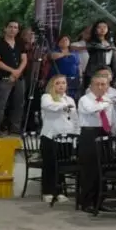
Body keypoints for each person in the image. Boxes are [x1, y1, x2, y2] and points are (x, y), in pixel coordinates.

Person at [77, 74, 116, 213]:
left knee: (103, 168)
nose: (100, 87)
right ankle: (86, 202)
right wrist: (105, 104)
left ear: (108, 86)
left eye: (103, 84)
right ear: (91, 86)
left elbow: (111, 118)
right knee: (90, 169)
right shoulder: (85, 99)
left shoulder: (107, 99)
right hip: (89, 134)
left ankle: (99, 201)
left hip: (104, 132)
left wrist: (112, 132)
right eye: (97, 84)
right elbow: (91, 109)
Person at [39, 75, 79, 204]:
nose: (61, 85)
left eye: (63, 83)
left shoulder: (70, 99)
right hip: (50, 136)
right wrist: (64, 107)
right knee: (49, 165)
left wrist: (76, 133)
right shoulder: (47, 97)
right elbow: (49, 106)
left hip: (66, 138)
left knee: (61, 166)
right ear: (52, 85)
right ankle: (47, 192)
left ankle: (60, 191)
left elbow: (74, 118)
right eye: (58, 83)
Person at [0, 21, 27, 134]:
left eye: (15, 27)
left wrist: (18, 71)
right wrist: (12, 71)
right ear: (5, 28)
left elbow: (24, 59)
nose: (12, 29)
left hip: (19, 77)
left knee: (19, 103)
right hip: (4, 77)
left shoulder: (20, 43)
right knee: (1, 103)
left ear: (18, 30)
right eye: (10, 27)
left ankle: (15, 128)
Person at [50, 34, 81, 99]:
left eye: (66, 40)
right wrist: (66, 54)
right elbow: (53, 56)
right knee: (58, 96)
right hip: (59, 78)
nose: (64, 41)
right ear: (58, 43)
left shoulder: (74, 52)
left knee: (71, 97)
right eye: (62, 40)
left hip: (73, 78)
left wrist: (80, 76)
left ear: (69, 42)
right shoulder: (55, 51)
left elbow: (78, 65)